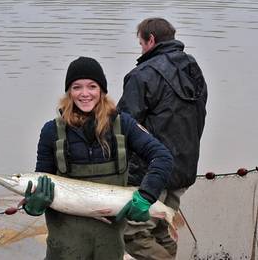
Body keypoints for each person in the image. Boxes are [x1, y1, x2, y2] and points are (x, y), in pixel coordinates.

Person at [22, 56, 174, 260]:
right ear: (69, 91)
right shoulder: (51, 131)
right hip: (64, 246)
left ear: (101, 90)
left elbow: (162, 157)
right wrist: (33, 204)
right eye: (77, 87)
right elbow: (43, 179)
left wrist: (146, 195)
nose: (85, 94)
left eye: (92, 86)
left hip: (109, 245)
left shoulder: (123, 125)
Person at [117, 18, 208, 259]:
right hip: (184, 169)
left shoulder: (141, 75)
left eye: (140, 43)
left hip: (151, 174)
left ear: (151, 40)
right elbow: (201, 114)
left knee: (132, 234)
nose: (141, 49)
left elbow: (124, 127)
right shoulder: (193, 68)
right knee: (159, 229)